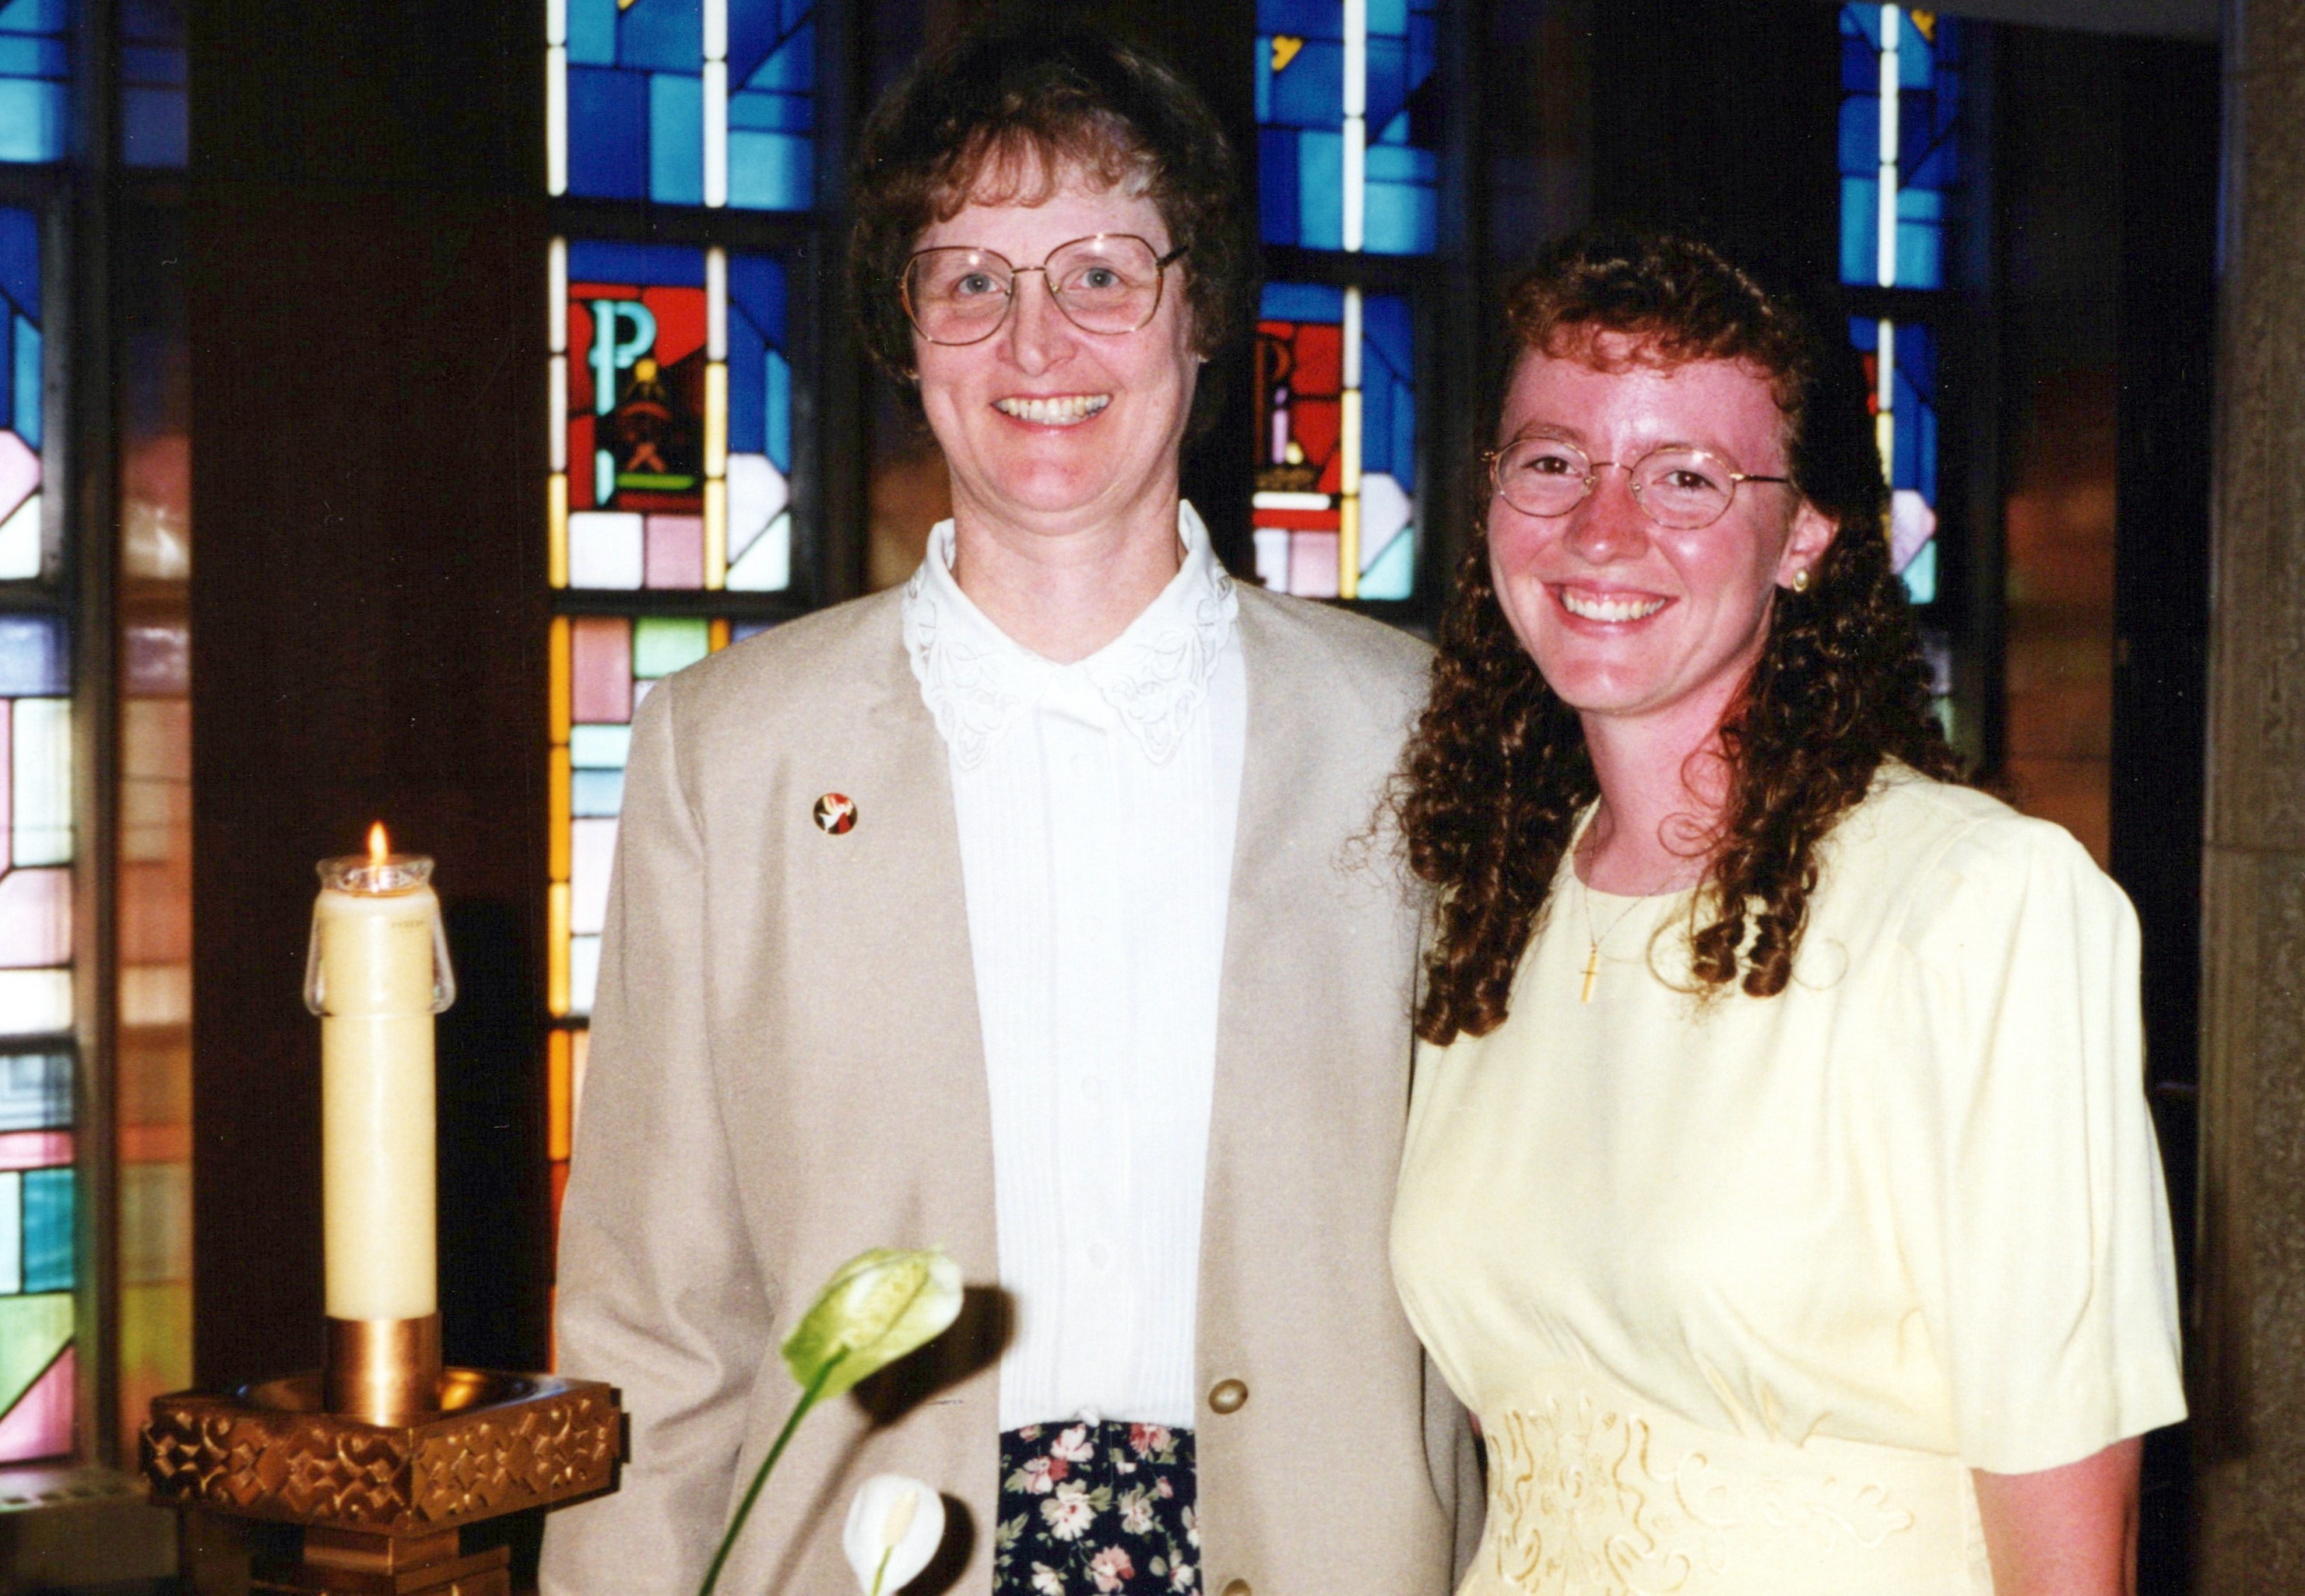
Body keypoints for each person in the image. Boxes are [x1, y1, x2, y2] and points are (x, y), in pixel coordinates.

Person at [540, 30, 1473, 1596]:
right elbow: (654, 1318)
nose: (1036, 338)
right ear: (906, 327)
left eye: (1101, 270)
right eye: (968, 277)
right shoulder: (732, 755)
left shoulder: (1411, 735)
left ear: (1199, 314)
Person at [1387, 227, 2186, 1596]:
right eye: (1551, 460)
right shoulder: (1494, 914)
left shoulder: (1972, 905)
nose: (1600, 526)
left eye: (1685, 476)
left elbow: (2072, 1550)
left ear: (1806, 534)